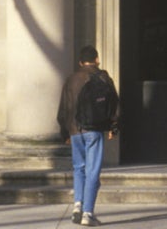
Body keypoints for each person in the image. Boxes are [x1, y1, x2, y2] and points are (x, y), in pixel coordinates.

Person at [57, 45, 119, 227]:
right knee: (93, 171)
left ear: (80, 62)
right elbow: (114, 106)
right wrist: (113, 128)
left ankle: (78, 204)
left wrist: (64, 132)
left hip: (76, 131)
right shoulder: (103, 77)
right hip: (95, 130)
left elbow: (64, 109)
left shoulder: (71, 80)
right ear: (97, 59)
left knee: (79, 168)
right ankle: (88, 213)